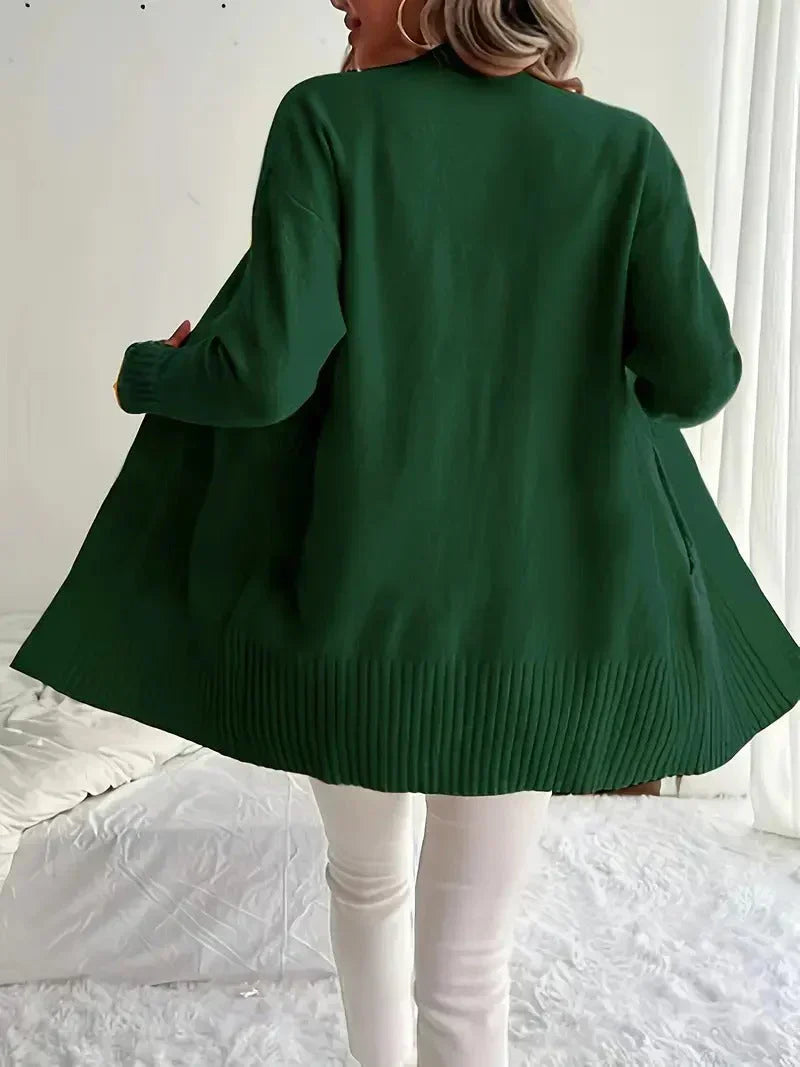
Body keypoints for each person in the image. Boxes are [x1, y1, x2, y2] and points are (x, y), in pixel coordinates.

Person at [13, 1, 800, 1064]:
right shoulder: (622, 149)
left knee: (365, 881)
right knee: (471, 961)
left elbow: (263, 373)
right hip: (536, 617)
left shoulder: (326, 120)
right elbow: (695, 379)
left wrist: (148, 370)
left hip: (352, 604)